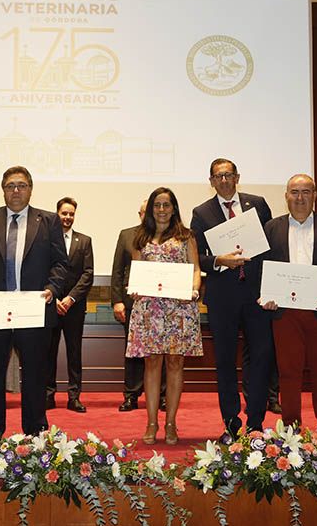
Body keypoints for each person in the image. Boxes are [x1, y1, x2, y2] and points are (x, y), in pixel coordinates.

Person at [0, 165, 68, 437]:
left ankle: (35, 436)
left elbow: (60, 264)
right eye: (10, 186)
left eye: (21, 185)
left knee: (34, 376)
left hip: (33, 310)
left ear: (31, 189)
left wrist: (52, 289)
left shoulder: (48, 221)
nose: (16, 191)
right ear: (3, 190)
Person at [260, 174, 317, 436]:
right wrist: (268, 294)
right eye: (294, 192)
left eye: (306, 192)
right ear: (286, 196)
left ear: (315, 195)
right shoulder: (271, 228)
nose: (300, 198)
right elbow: (262, 267)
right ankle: (291, 432)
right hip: (285, 314)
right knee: (288, 375)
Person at [190, 158, 274, 438]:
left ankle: (256, 421)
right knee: (225, 361)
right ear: (211, 181)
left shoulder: (257, 204)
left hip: (256, 295)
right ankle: (231, 421)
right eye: (218, 176)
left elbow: (272, 246)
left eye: (228, 175)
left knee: (261, 357)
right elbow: (196, 255)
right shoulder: (201, 213)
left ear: (237, 177)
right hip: (222, 297)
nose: (224, 180)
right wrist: (218, 260)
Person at [126, 187, 202, 446]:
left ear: (174, 208)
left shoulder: (186, 236)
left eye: (166, 205)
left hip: (179, 309)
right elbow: (136, 271)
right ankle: (151, 422)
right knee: (152, 364)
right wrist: (133, 288)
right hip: (149, 309)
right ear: (150, 209)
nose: (161, 210)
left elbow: (195, 270)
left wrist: (193, 290)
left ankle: (170, 422)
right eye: (157, 205)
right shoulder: (140, 237)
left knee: (175, 364)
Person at [111, 200, 165, 412]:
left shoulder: (166, 236)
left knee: (161, 350)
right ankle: (131, 395)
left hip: (163, 305)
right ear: (140, 214)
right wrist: (117, 301)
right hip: (133, 303)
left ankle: (161, 395)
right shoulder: (127, 235)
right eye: (146, 212)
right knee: (133, 351)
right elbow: (117, 271)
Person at [46, 197, 94, 412]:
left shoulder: (84, 240)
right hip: (50, 304)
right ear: (57, 214)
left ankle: (74, 397)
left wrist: (71, 298)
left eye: (71, 214)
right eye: (64, 213)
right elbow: (41, 271)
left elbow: (87, 274)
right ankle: (48, 395)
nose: (67, 217)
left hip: (74, 307)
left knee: (74, 353)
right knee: (48, 351)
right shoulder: (45, 240)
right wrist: (55, 298)